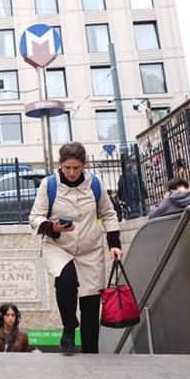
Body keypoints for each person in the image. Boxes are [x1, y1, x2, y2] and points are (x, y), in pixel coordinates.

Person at [29, 142, 123, 354]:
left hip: (90, 251)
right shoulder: (49, 185)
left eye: (76, 168)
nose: (71, 172)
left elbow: (108, 213)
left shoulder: (94, 185)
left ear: (84, 165)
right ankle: (69, 327)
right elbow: (35, 216)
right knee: (67, 280)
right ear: (60, 165)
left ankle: (91, 353)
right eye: (67, 167)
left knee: (91, 306)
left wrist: (114, 244)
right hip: (59, 246)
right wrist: (52, 226)